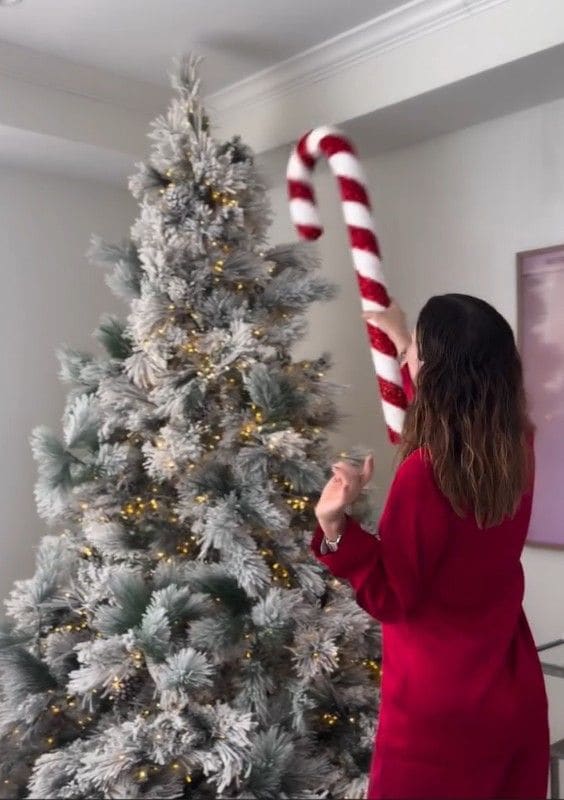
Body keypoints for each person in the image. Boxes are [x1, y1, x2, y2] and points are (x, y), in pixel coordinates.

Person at [312, 294, 550, 800]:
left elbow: (391, 598)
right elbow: (457, 399)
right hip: (509, 685)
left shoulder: (426, 475)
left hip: (437, 707)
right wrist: (403, 338)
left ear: (435, 370)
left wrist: (335, 526)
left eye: (415, 351)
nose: (408, 358)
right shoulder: (516, 444)